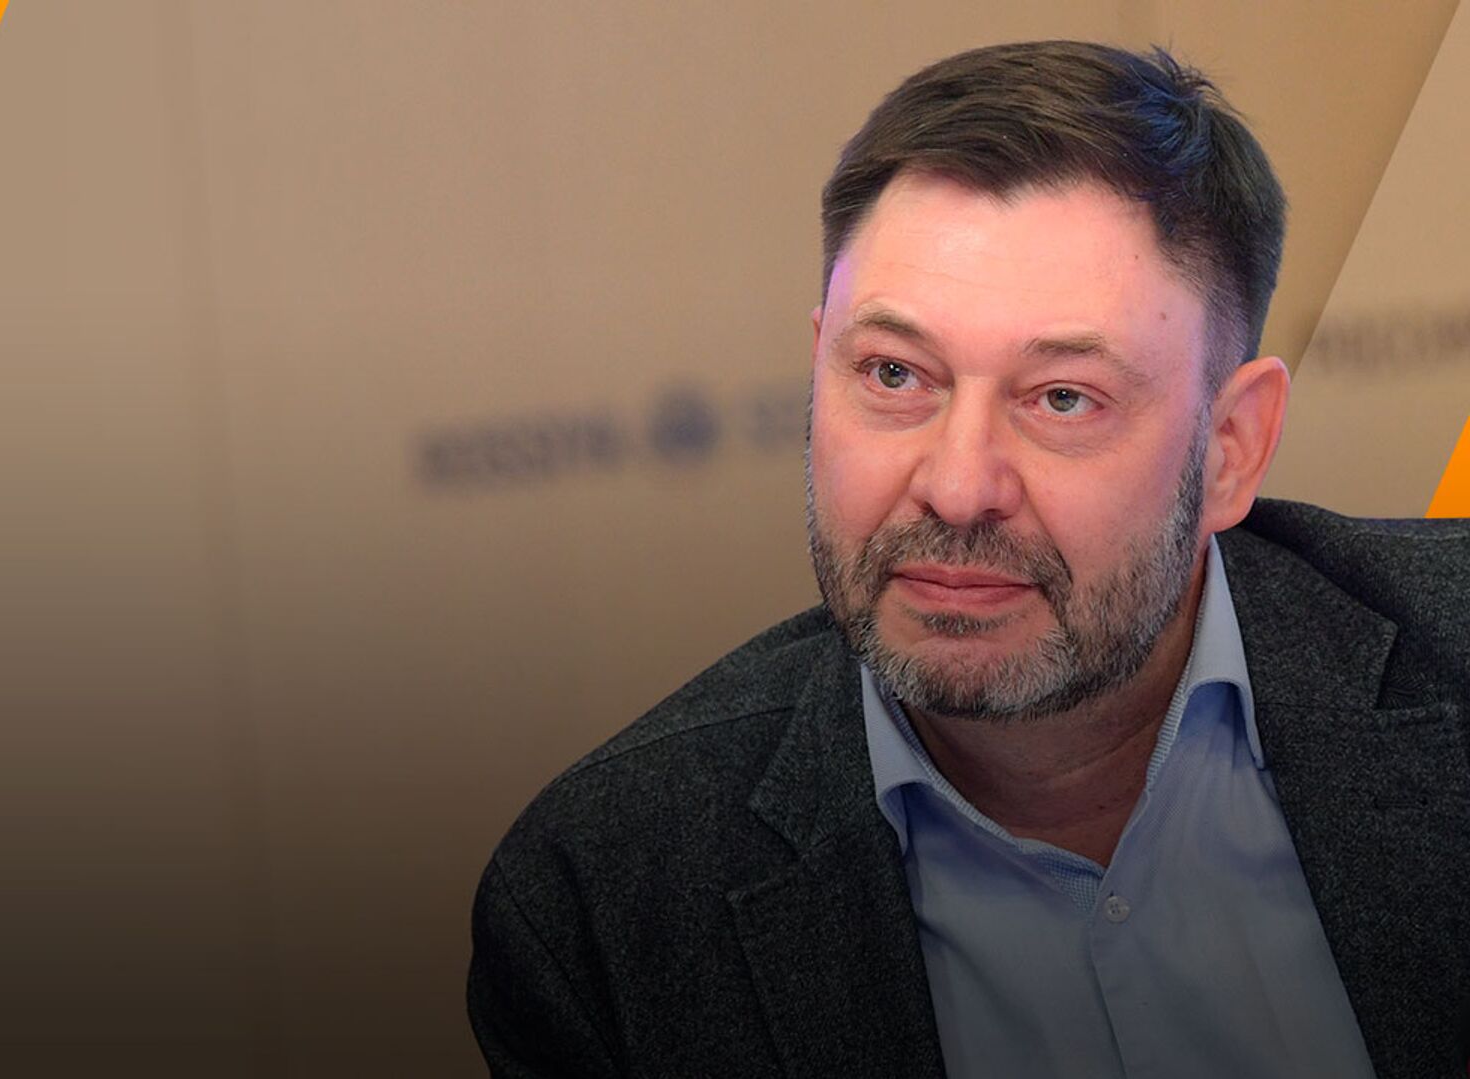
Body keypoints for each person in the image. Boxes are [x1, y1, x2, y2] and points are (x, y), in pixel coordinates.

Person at [468, 40, 1470, 1079]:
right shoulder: (604, 898)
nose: (957, 486)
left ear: (1229, 449)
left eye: (1063, 397)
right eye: (895, 374)